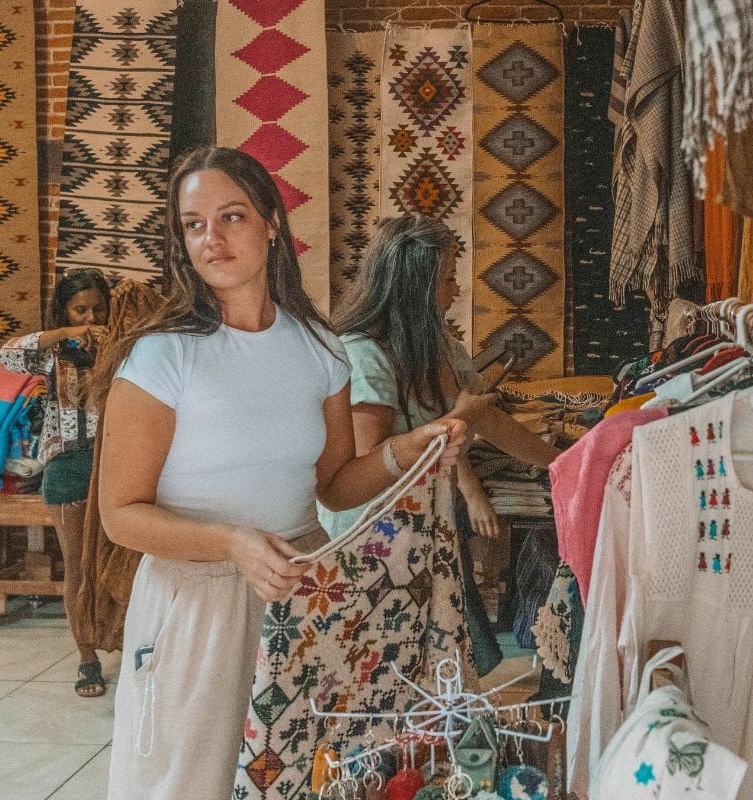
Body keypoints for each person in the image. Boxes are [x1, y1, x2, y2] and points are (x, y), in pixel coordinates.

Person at [90, 146, 474, 800]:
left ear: (272, 222)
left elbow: (334, 485)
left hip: (299, 600)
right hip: (197, 603)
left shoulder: (318, 348)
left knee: (295, 777)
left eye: (231, 216)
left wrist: (409, 449)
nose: (212, 238)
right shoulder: (161, 358)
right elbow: (120, 514)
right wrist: (232, 543)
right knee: (189, 780)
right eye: (194, 223)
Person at [318, 214, 561, 542]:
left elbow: (489, 418)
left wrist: (565, 463)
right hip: (369, 542)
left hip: (422, 530)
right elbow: (362, 476)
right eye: (448, 279)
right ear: (416, 290)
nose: (456, 290)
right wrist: (461, 418)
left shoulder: (442, 348)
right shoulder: (364, 357)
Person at [0, 268, 114, 698]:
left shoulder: (120, 347)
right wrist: (66, 332)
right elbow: (9, 354)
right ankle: (87, 658)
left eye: (98, 309)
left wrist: (108, 335)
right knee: (79, 568)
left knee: (122, 561)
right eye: (79, 309)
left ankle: (130, 640)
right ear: (63, 310)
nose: (90, 317)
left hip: (115, 462)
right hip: (66, 461)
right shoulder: (51, 353)